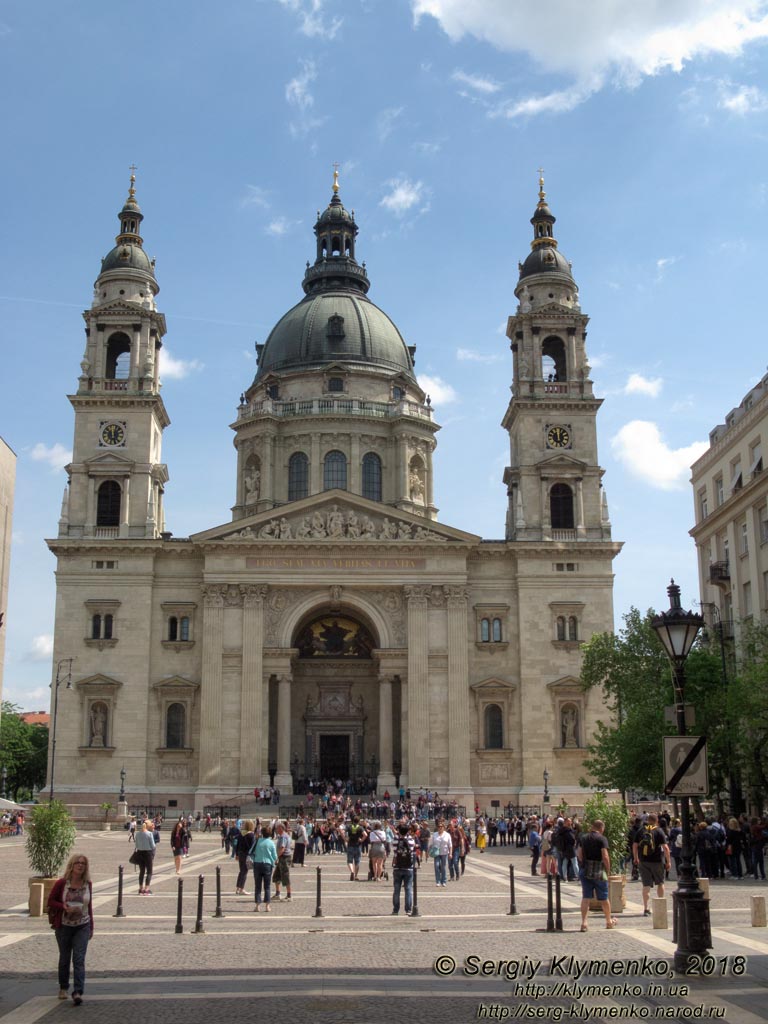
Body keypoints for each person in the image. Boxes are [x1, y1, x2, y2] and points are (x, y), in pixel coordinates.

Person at [48, 854, 94, 1005]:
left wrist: (91, 926)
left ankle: (78, 991)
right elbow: (51, 901)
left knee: (79, 959)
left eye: (83, 863)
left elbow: (89, 906)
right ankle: (63, 987)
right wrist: (63, 907)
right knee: (65, 958)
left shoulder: (88, 884)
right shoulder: (62, 883)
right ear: (72, 865)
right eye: (77, 863)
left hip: (83, 925)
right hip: (64, 926)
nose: (80, 866)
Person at [576, 819, 617, 931]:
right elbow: (605, 856)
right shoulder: (602, 839)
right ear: (601, 828)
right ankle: (608, 921)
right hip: (599, 870)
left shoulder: (583, 838)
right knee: (604, 897)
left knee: (586, 897)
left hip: (585, 869)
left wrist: (584, 862)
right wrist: (607, 870)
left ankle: (584, 923)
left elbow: (579, 854)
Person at [632, 812, 671, 916]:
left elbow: (635, 845)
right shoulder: (659, 831)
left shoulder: (641, 830)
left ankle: (646, 908)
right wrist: (668, 861)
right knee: (660, 883)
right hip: (657, 860)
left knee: (646, 885)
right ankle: (660, 906)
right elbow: (666, 848)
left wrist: (636, 858)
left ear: (647, 820)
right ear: (657, 821)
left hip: (643, 861)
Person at [251, 825, 277, 912]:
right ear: (270, 834)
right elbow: (275, 856)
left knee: (257, 886)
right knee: (267, 886)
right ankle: (267, 906)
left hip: (257, 864)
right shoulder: (271, 843)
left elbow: (251, 851)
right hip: (267, 865)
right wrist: (273, 861)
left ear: (262, 833)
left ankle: (257, 906)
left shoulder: (257, 841)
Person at [391, 823, 416, 915]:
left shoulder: (395, 840)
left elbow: (393, 850)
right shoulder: (411, 840)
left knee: (396, 889)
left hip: (397, 866)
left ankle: (395, 909)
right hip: (408, 867)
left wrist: (397, 834)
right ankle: (408, 909)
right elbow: (413, 850)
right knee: (408, 889)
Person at [133, 820, 156, 894]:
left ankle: (140, 889)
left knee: (141, 872)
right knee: (149, 871)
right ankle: (146, 889)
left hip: (140, 853)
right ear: (148, 826)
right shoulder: (149, 834)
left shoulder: (137, 834)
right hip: (148, 853)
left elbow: (136, 845)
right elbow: (153, 845)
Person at [272, 822, 293, 900]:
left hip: (284, 858)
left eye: (277, 828)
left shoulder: (283, 837)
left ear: (281, 828)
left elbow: (282, 849)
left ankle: (289, 895)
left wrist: (276, 857)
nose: (276, 829)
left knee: (285, 876)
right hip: (282, 858)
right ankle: (278, 893)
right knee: (276, 876)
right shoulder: (283, 836)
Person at [236, 820, 255, 894]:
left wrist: (237, 854)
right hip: (247, 855)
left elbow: (237, 845)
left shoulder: (241, 833)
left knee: (241, 871)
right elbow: (252, 847)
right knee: (244, 872)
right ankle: (241, 889)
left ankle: (238, 888)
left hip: (240, 853)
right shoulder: (251, 835)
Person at [431, 819, 452, 887]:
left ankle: (444, 881)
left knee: (443, 867)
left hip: (444, 853)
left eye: (441, 826)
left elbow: (450, 845)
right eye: (439, 826)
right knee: (436, 866)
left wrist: (450, 853)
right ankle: (438, 881)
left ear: (444, 827)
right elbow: (431, 844)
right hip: (436, 853)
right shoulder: (434, 834)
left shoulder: (447, 835)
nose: (440, 828)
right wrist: (428, 852)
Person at [346, 815, 366, 881]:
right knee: (357, 862)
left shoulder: (349, 827)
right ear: (358, 821)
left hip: (350, 845)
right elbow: (365, 835)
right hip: (358, 846)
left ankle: (352, 872)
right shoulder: (360, 827)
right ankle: (356, 875)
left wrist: (346, 839)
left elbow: (345, 834)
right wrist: (361, 840)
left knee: (350, 861)